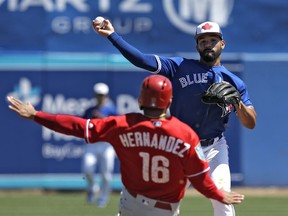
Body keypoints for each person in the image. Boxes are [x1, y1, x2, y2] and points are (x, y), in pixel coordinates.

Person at [7, 74, 245, 216]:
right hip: (165, 209)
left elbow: (77, 126)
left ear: (141, 99)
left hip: (131, 204)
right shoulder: (185, 135)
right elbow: (200, 179)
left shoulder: (123, 125)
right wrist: (219, 195)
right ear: (170, 101)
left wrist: (36, 115)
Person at [92, 19, 257, 216]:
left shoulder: (234, 82)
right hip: (181, 145)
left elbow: (250, 123)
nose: (208, 44)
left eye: (213, 39)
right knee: (162, 201)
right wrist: (113, 36)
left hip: (214, 147)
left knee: (223, 202)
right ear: (197, 45)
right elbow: (142, 60)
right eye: (203, 40)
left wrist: (237, 102)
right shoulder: (179, 66)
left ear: (222, 43)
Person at [81, 82, 118, 207]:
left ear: (106, 96)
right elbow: (82, 126)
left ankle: (103, 197)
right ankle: (92, 188)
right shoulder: (89, 110)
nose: (100, 97)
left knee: (106, 174)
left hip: (106, 145)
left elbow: (117, 127)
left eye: (102, 95)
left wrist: (102, 118)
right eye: (98, 95)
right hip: (92, 144)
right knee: (87, 169)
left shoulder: (111, 110)